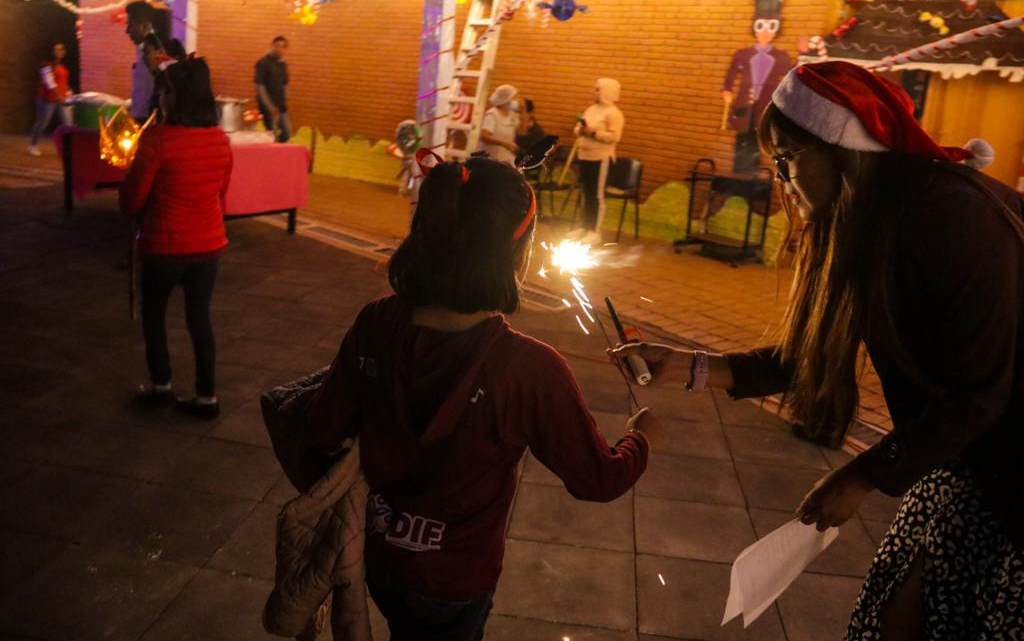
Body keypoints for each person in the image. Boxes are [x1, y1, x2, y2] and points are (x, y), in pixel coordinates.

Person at [613, 61, 1023, 640]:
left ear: (841, 149)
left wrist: (862, 475)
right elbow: (812, 351)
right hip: (966, 459)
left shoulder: (947, 217)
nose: (781, 179)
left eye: (788, 159)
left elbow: (980, 393)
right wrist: (694, 366)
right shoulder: (871, 216)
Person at [305, 154, 658, 641]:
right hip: (456, 579)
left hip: (376, 553)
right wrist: (641, 439)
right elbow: (597, 477)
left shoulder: (377, 322)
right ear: (517, 255)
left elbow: (322, 429)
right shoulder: (529, 369)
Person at [120, 55, 233, 420]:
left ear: (178, 96)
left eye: (165, 91)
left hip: (165, 246)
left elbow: (132, 199)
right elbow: (221, 193)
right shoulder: (219, 140)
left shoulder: (157, 139)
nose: (161, 97)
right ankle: (206, 396)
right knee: (200, 318)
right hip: (208, 245)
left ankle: (162, 385)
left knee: (154, 314)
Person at [721, 0, 792, 175]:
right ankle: (738, 175)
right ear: (754, 27)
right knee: (742, 138)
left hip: (765, 107)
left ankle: (751, 175)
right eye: (761, 26)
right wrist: (727, 90)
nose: (766, 32)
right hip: (744, 106)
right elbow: (731, 75)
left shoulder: (781, 57)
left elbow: (790, 79)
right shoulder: (743, 54)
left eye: (771, 27)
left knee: (759, 139)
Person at [571, 78, 624, 246]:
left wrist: (593, 134)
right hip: (584, 157)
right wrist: (580, 130)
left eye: (597, 90)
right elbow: (577, 129)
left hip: (601, 159)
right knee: (586, 194)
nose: (594, 93)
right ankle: (585, 227)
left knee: (597, 195)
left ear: (606, 91)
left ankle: (595, 231)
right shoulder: (591, 109)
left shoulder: (614, 113)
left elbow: (614, 137)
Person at [125, 1, 170, 123]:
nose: (127, 31)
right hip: (140, 119)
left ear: (145, 25)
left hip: (151, 121)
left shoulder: (158, 51)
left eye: (130, 25)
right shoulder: (140, 49)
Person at [27, 43, 72, 157]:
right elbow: (49, 83)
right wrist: (59, 97)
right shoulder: (46, 65)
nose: (60, 51)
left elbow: (64, 84)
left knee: (68, 124)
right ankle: (33, 145)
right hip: (47, 99)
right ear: (51, 51)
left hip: (61, 99)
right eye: (57, 49)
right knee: (42, 123)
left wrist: (68, 93)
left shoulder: (62, 67)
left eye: (62, 49)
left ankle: (68, 149)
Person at [255, 36, 290, 143]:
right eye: (277, 46)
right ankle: (273, 154)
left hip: (281, 105)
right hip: (269, 107)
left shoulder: (283, 64)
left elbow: (284, 84)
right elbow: (259, 86)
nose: (279, 49)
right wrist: (269, 106)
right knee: (272, 135)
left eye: (283, 47)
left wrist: (285, 101)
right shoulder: (263, 63)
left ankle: (277, 150)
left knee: (287, 132)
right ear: (272, 46)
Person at [142, 34, 186, 118]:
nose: (144, 58)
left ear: (160, 53)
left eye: (147, 53)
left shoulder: (172, 82)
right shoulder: (160, 80)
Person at [476, 84, 520, 165]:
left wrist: (524, 112)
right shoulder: (492, 114)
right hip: (489, 159)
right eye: (513, 97)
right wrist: (503, 143)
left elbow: (522, 132)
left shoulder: (512, 115)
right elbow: (484, 136)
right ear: (506, 100)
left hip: (504, 158)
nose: (516, 100)